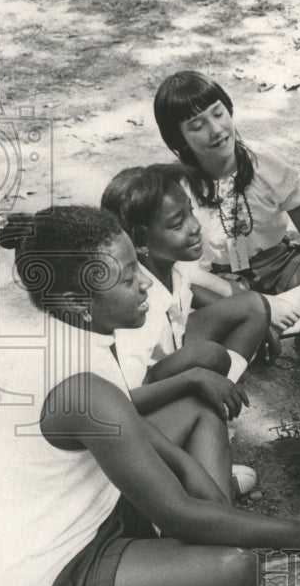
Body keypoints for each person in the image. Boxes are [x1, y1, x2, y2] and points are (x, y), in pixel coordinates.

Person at [0, 206, 300, 586]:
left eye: (137, 269)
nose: (146, 282)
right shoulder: (81, 387)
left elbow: (131, 425)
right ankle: (207, 539)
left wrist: (187, 468)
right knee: (233, 569)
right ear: (79, 302)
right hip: (62, 566)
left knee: (200, 403)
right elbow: (177, 513)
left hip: (101, 497)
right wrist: (299, 534)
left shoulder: (77, 330)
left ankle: (210, 525)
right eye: (128, 279)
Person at [153, 71, 300, 342]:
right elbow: (179, 265)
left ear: (229, 109)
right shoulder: (181, 186)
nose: (215, 130)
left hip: (281, 264)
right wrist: (245, 299)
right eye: (197, 126)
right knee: (185, 304)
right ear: (179, 139)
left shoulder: (266, 166)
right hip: (226, 283)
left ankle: (270, 319)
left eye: (218, 113)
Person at [101, 165, 268, 406]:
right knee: (209, 354)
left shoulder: (169, 264)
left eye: (190, 212)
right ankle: (205, 405)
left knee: (253, 305)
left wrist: (252, 321)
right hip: (150, 385)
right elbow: (126, 397)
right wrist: (193, 379)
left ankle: (222, 391)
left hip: (174, 347)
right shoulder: (136, 302)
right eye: (178, 224)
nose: (195, 226)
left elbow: (187, 291)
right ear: (141, 240)